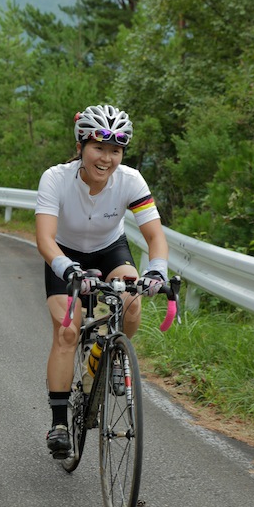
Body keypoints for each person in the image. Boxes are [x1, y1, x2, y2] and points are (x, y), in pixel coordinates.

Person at [35, 104, 169, 458]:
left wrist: (156, 269)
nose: (107, 158)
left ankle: (109, 354)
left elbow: (155, 236)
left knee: (132, 299)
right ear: (81, 147)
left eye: (115, 150)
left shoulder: (131, 180)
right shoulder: (55, 178)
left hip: (110, 248)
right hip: (63, 255)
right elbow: (45, 239)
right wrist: (68, 270)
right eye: (99, 147)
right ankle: (60, 422)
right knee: (67, 330)